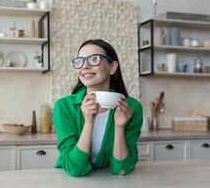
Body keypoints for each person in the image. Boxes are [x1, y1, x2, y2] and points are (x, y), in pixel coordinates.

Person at [53, 39, 143, 177]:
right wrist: (89, 123)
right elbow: (75, 169)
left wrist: (119, 128)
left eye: (94, 59)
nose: (85, 66)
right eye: (80, 61)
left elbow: (122, 169)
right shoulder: (63, 107)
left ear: (112, 67)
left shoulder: (131, 108)